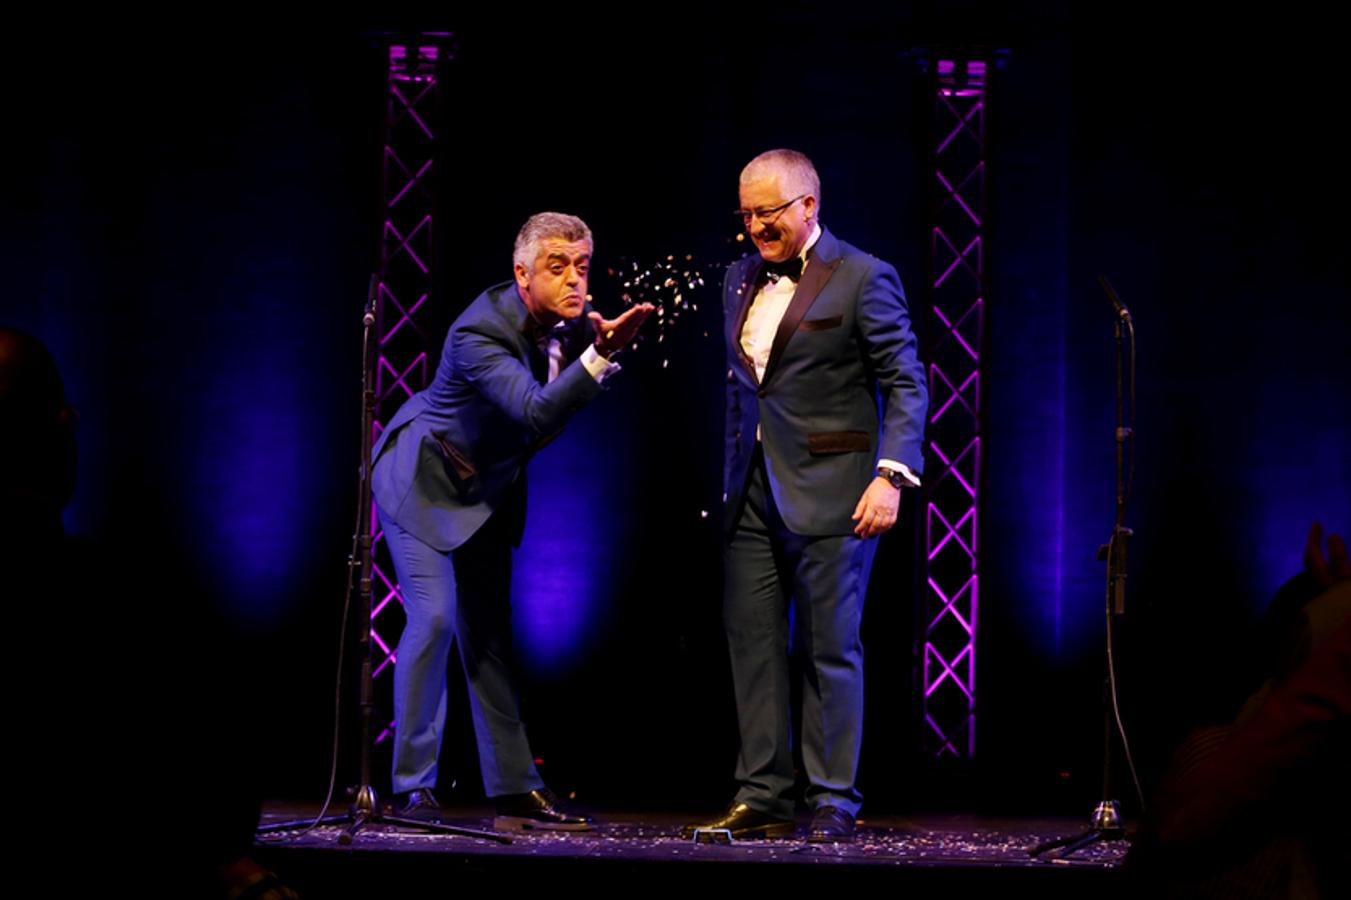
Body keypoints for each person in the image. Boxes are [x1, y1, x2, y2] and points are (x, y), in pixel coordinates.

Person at [371, 212, 652, 830]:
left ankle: (516, 787)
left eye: (581, 266)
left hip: (482, 494)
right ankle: (411, 789)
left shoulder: (557, 330)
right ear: (522, 275)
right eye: (558, 268)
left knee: (490, 637)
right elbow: (533, 413)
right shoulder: (480, 332)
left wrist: (589, 356)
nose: (575, 281)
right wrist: (599, 358)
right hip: (420, 482)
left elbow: (542, 413)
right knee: (436, 616)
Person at [685, 150, 928, 842]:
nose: (757, 226)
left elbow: (906, 381)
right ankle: (761, 793)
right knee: (751, 645)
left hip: (838, 492)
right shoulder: (736, 279)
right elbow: (747, 391)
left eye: (770, 212)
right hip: (749, 496)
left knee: (829, 646)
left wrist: (890, 475)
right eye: (748, 214)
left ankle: (830, 799)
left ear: (808, 206)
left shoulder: (863, 277)